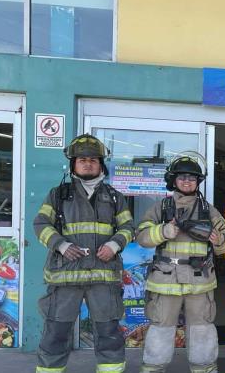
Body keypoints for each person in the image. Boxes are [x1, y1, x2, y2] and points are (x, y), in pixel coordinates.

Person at [34, 134, 134, 373]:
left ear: (101, 164)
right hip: (65, 277)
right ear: (73, 165)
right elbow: (40, 224)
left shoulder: (114, 197)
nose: (87, 163)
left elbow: (129, 227)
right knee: (56, 333)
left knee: (109, 333)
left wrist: (114, 245)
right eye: (82, 159)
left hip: (103, 278)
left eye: (92, 159)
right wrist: (61, 245)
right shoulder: (58, 195)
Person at [137, 155, 225, 373]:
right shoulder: (161, 207)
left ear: (198, 182)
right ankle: (153, 368)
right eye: (182, 177)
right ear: (173, 180)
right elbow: (141, 236)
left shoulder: (209, 211)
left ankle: (204, 369)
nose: (187, 181)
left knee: (202, 330)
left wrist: (219, 241)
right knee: (161, 329)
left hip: (200, 283)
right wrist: (163, 231)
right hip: (165, 281)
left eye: (192, 178)